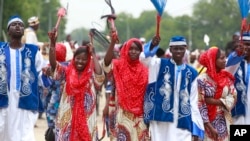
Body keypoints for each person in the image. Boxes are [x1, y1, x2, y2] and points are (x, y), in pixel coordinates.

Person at [141, 35, 204, 141]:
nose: (178, 51)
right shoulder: (159, 64)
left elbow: (193, 102)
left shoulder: (192, 72)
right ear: (170, 49)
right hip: (161, 120)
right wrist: (152, 45)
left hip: (183, 121)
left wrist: (196, 129)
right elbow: (144, 59)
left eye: (181, 48)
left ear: (186, 49)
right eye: (175, 48)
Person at [48, 28, 105, 141]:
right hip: (67, 117)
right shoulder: (66, 71)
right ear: (73, 59)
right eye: (78, 58)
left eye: (84, 59)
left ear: (88, 60)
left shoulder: (91, 73)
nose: (80, 61)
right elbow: (54, 65)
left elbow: (100, 77)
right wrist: (53, 44)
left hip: (87, 117)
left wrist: (93, 53)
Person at [0, 15, 44, 141]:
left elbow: (41, 72)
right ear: (8, 31)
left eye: (20, 24)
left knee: (25, 135)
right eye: (14, 24)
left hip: (25, 101)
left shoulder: (33, 51)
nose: (18, 26)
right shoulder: (0, 49)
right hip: (4, 101)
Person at [102, 31, 150, 140]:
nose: (133, 51)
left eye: (137, 49)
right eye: (131, 49)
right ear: (126, 50)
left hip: (140, 116)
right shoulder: (118, 66)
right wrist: (113, 43)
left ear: (141, 52)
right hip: (122, 113)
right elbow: (106, 64)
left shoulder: (145, 69)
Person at [196, 47, 236, 141]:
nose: (225, 60)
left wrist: (214, 101)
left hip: (225, 121)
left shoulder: (226, 78)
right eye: (222, 58)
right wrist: (209, 127)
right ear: (213, 60)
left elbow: (234, 96)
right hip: (207, 123)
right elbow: (200, 104)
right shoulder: (202, 80)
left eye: (225, 57)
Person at [226, 32, 250, 125]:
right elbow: (227, 65)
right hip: (239, 113)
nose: (246, 47)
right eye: (243, 45)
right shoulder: (235, 63)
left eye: (248, 45)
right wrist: (237, 54)